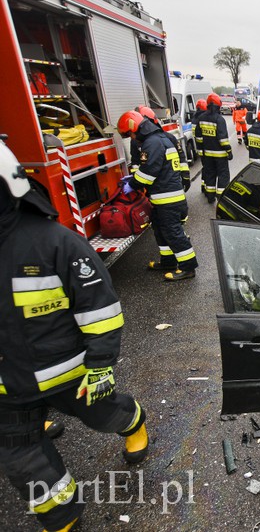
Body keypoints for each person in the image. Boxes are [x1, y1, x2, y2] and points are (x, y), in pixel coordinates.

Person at [0, 138, 148, 532]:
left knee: (103, 413)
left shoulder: (54, 242)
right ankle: (63, 518)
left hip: (67, 371)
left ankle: (133, 422)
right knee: (22, 460)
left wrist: (100, 365)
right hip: (8, 388)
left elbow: (100, 309)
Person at [117, 111, 198, 281]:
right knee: (161, 230)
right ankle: (168, 261)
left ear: (134, 128)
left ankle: (188, 267)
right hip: (164, 197)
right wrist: (134, 177)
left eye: (130, 134)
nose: (131, 138)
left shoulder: (152, 143)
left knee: (173, 232)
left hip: (168, 199)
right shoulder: (159, 139)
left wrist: (132, 184)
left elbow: (149, 172)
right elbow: (158, 168)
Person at [134, 105, 190, 192]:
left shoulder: (169, 137)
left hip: (169, 182)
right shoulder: (135, 142)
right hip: (149, 184)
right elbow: (135, 162)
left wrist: (185, 176)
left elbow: (181, 157)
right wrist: (136, 182)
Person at [196, 93, 232, 202]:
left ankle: (210, 197)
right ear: (218, 106)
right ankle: (221, 198)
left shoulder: (201, 118)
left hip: (207, 154)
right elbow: (223, 140)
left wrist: (201, 150)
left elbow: (198, 137)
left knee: (210, 174)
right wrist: (229, 151)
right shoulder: (219, 119)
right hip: (220, 155)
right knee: (223, 175)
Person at [191, 98, 208, 172]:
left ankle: (204, 182)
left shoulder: (194, 117)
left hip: (198, 145)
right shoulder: (204, 118)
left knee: (204, 165)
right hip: (206, 145)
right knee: (209, 167)